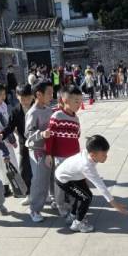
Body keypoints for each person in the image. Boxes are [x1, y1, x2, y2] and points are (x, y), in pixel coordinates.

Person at [55, 135, 128, 233]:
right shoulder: (87, 166)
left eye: (106, 153)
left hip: (73, 175)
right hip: (64, 179)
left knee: (83, 194)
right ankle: (78, 224)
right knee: (86, 198)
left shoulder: (89, 153)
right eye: (103, 155)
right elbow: (100, 185)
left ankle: (72, 216)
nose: (106, 157)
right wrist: (114, 204)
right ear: (93, 155)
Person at [45, 85, 82, 218]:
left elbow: (77, 135)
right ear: (65, 100)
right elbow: (50, 137)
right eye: (76, 101)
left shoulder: (76, 118)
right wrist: (49, 154)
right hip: (60, 157)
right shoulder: (57, 116)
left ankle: (72, 203)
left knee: (72, 181)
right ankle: (60, 205)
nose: (79, 104)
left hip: (74, 157)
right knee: (60, 183)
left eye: (80, 101)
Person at [25, 81, 54, 223]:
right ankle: (34, 209)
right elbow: (28, 134)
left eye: (52, 92)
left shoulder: (49, 110)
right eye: (49, 93)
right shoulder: (32, 112)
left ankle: (54, 199)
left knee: (52, 176)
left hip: (50, 150)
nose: (52, 95)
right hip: (37, 151)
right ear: (38, 94)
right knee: (39, 180)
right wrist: (41, 134)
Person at [6, 84, 34, 205]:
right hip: (24, 145)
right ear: (17, 97)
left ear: (33, 96)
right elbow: (10, 126)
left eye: (28, 98)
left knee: (41, 171)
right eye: (22, 99)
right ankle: (28, 194)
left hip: (39, 144)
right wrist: (3, 134)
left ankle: (44, 193)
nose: (25, 101)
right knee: (24, 170)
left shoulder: (38, 108)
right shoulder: (15, 111)